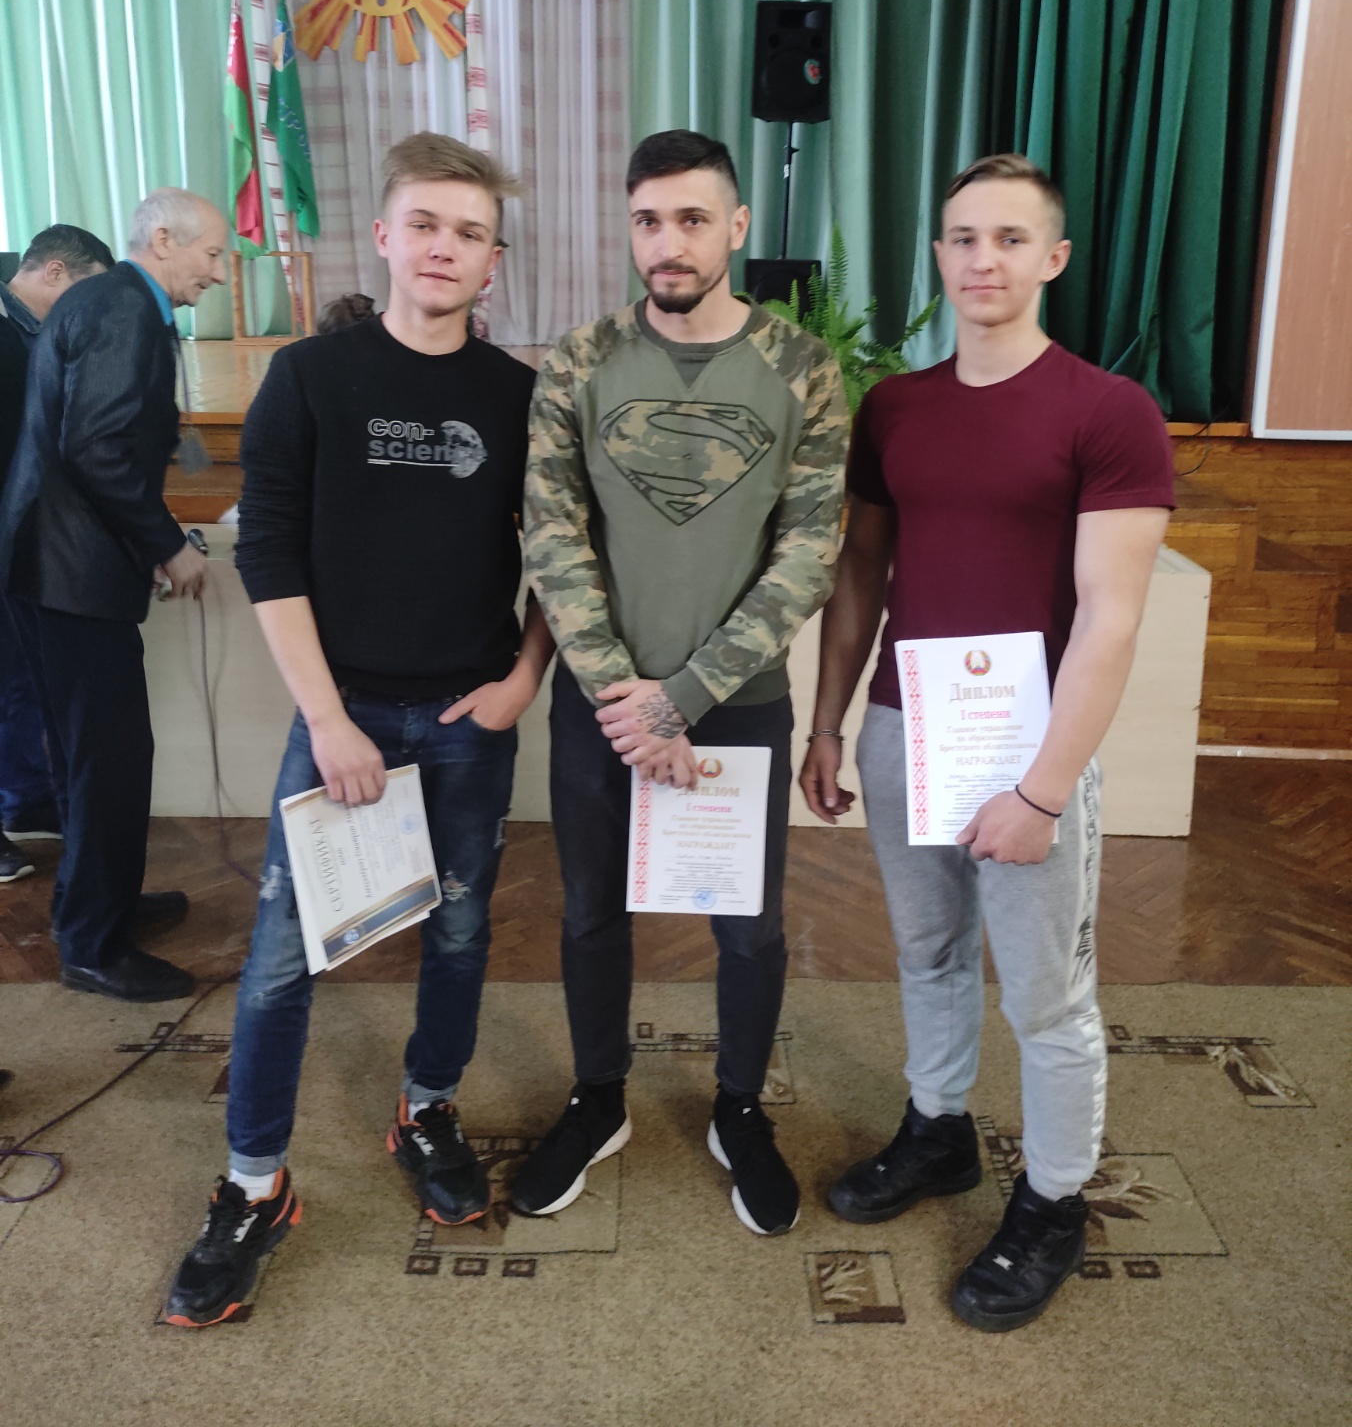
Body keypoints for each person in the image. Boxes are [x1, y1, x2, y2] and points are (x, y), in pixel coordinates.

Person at [164, 133, 551, 1329]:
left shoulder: (518, 398)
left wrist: (524, 679)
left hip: (470, 716)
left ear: (492, 262)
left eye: (469, 233)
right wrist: (328, 719)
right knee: (282, 961)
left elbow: (562, 558)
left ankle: (426, 1109)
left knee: (459, 930)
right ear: (384, 237)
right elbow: (269, 554)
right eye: (423, 224)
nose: (443, 247)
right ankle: (252, 1186)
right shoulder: (309, 378)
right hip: (343, 719)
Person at [800, 153, 1174, 1332]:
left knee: (1047, 999)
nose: (982, 260)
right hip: (904, 725)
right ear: (937, 255)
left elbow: (1110, 619)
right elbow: (860, 574)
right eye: (962, 238)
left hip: (1029, 745)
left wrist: (1043, 792)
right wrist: (828, 720)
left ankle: (1053, 1202)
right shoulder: (894, 410)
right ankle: (937, 1130)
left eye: (1009, 239)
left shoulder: (1108, 412)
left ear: (1051, 258)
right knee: (926, 953)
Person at [518, 129, 847, 1237]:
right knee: (589, 913)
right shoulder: (579, 362)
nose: (669, 242)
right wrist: (627, 697)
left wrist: (686, 697)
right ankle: (597, 1097)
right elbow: (551, 535)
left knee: (746, 928)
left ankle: (739, 1108)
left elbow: (809, 553)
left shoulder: (802, 368)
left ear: (736, 227)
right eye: (648, 220)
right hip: (602, 711)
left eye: (693, 219)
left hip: (738, 709)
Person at [0, 191, 226, 998]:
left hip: (54, 567)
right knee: (109, 760)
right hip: (70, 576)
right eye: (212, 255)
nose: (219, 274)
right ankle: (95, 945)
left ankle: (100, 906)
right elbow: (96, 448)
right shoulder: (124, 307)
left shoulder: (106, 301)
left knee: (90, 756)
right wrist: (167, 545)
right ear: (163, 240)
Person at [0, 226, 114, 883]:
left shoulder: (35, 334)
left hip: (23, 539)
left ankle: (24, 798)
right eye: (86, 292)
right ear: (54, 273)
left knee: (20, 678)